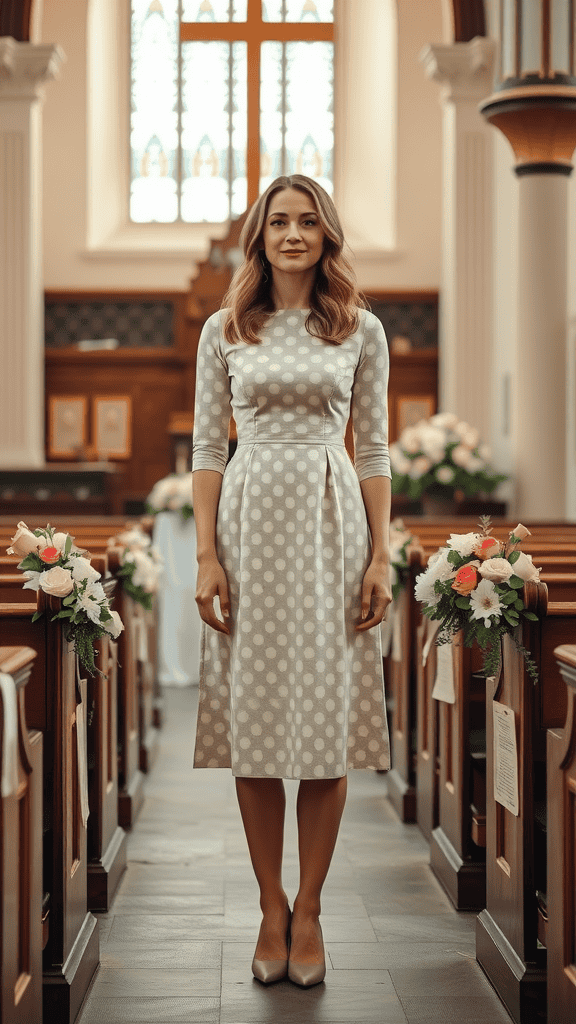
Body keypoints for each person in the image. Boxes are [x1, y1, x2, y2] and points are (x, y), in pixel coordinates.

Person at [191, 174, 393, 987]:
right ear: (260, 235)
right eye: (281, 221)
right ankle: (268, 905)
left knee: (325, 724)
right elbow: (209, 449)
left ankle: (309, 909)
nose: (295, 234)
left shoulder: (360, 330)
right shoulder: (225, 328)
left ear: (327, 235)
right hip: (247, 525)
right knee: (257, 726)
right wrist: (207, 553)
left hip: (332, 525)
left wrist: (381, 554)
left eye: (310, 221)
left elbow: (373, 450)